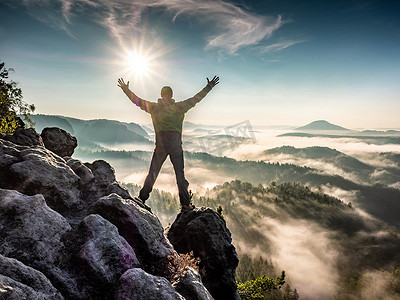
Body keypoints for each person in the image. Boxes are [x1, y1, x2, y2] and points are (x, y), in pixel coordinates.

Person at [117, 76, 220, 211]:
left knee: (153, 173)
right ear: (171, 96)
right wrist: (209, 87)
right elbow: (196, 99)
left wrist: (125, 89)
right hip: (176, 146)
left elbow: (137, 101)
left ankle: (142, 198)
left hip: (161, 146)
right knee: (180, 176)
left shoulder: (154, 108)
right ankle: (185, 204)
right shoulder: (179, 107)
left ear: (161, 95)